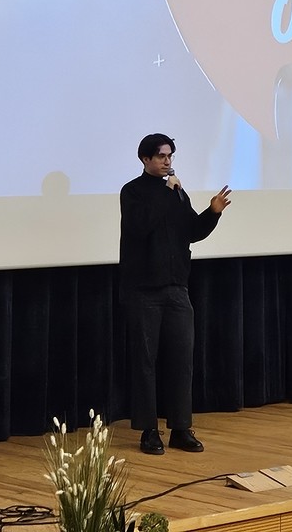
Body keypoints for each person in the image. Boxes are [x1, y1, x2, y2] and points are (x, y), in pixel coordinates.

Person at [118, 134, 231, 455]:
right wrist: (167, 193)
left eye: (170, 156)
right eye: (161, 156)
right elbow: (140, 227)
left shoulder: (178, 192)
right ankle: (149, 431)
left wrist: (212, 213)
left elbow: (191, 232)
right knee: (145, 362)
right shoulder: (133, 191)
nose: (168, 161)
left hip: (177, 288)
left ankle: (181, 428)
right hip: (143, 290)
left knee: (182, 360)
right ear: (145, 159)